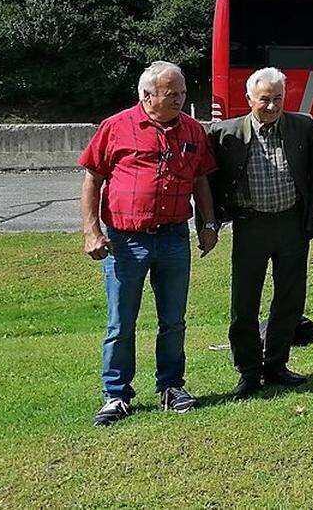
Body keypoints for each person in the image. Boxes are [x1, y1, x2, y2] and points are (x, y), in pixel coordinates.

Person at [80, 61, 218, 426]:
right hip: (126, 241)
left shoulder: (192, 130)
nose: (179, 99)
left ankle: (171, 387)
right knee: (120, 322)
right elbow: (93, 178)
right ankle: (116, 394)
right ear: (147, 95)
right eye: (172, 94)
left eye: (183, 93)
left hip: (174, 237)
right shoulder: (116, 127)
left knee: (173, 320)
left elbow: (202, 179)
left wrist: (209, 223)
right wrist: (91, 231)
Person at [207, 67, 313, 400]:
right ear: (249, 99)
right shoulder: (225, 134)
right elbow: (210, 183)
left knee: (290, 298)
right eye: (264, 100)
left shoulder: (303, 126)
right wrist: (210, 223)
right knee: (245, 301)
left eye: (278, 99)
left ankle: (276, 364)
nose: (271, 106)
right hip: (250, 225)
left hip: (291, 224)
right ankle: (248, 370)